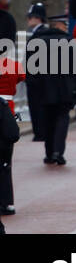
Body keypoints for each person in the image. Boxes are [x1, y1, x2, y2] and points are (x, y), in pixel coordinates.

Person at [26, 9, 76, 165]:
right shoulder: (70, 42)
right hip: (64, 89)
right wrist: (75, 88)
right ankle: (58, 151)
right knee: (62, 119)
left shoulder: (37, 42)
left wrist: (34, 87)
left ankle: (49, 152)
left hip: (43, 89)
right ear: (59, 26)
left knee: (47, 120)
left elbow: (30, 68)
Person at [0, 36, 24, 215]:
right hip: (8, 112)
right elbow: (20, 77)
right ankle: (8, 202)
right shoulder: (13, 65)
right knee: (6, 162)